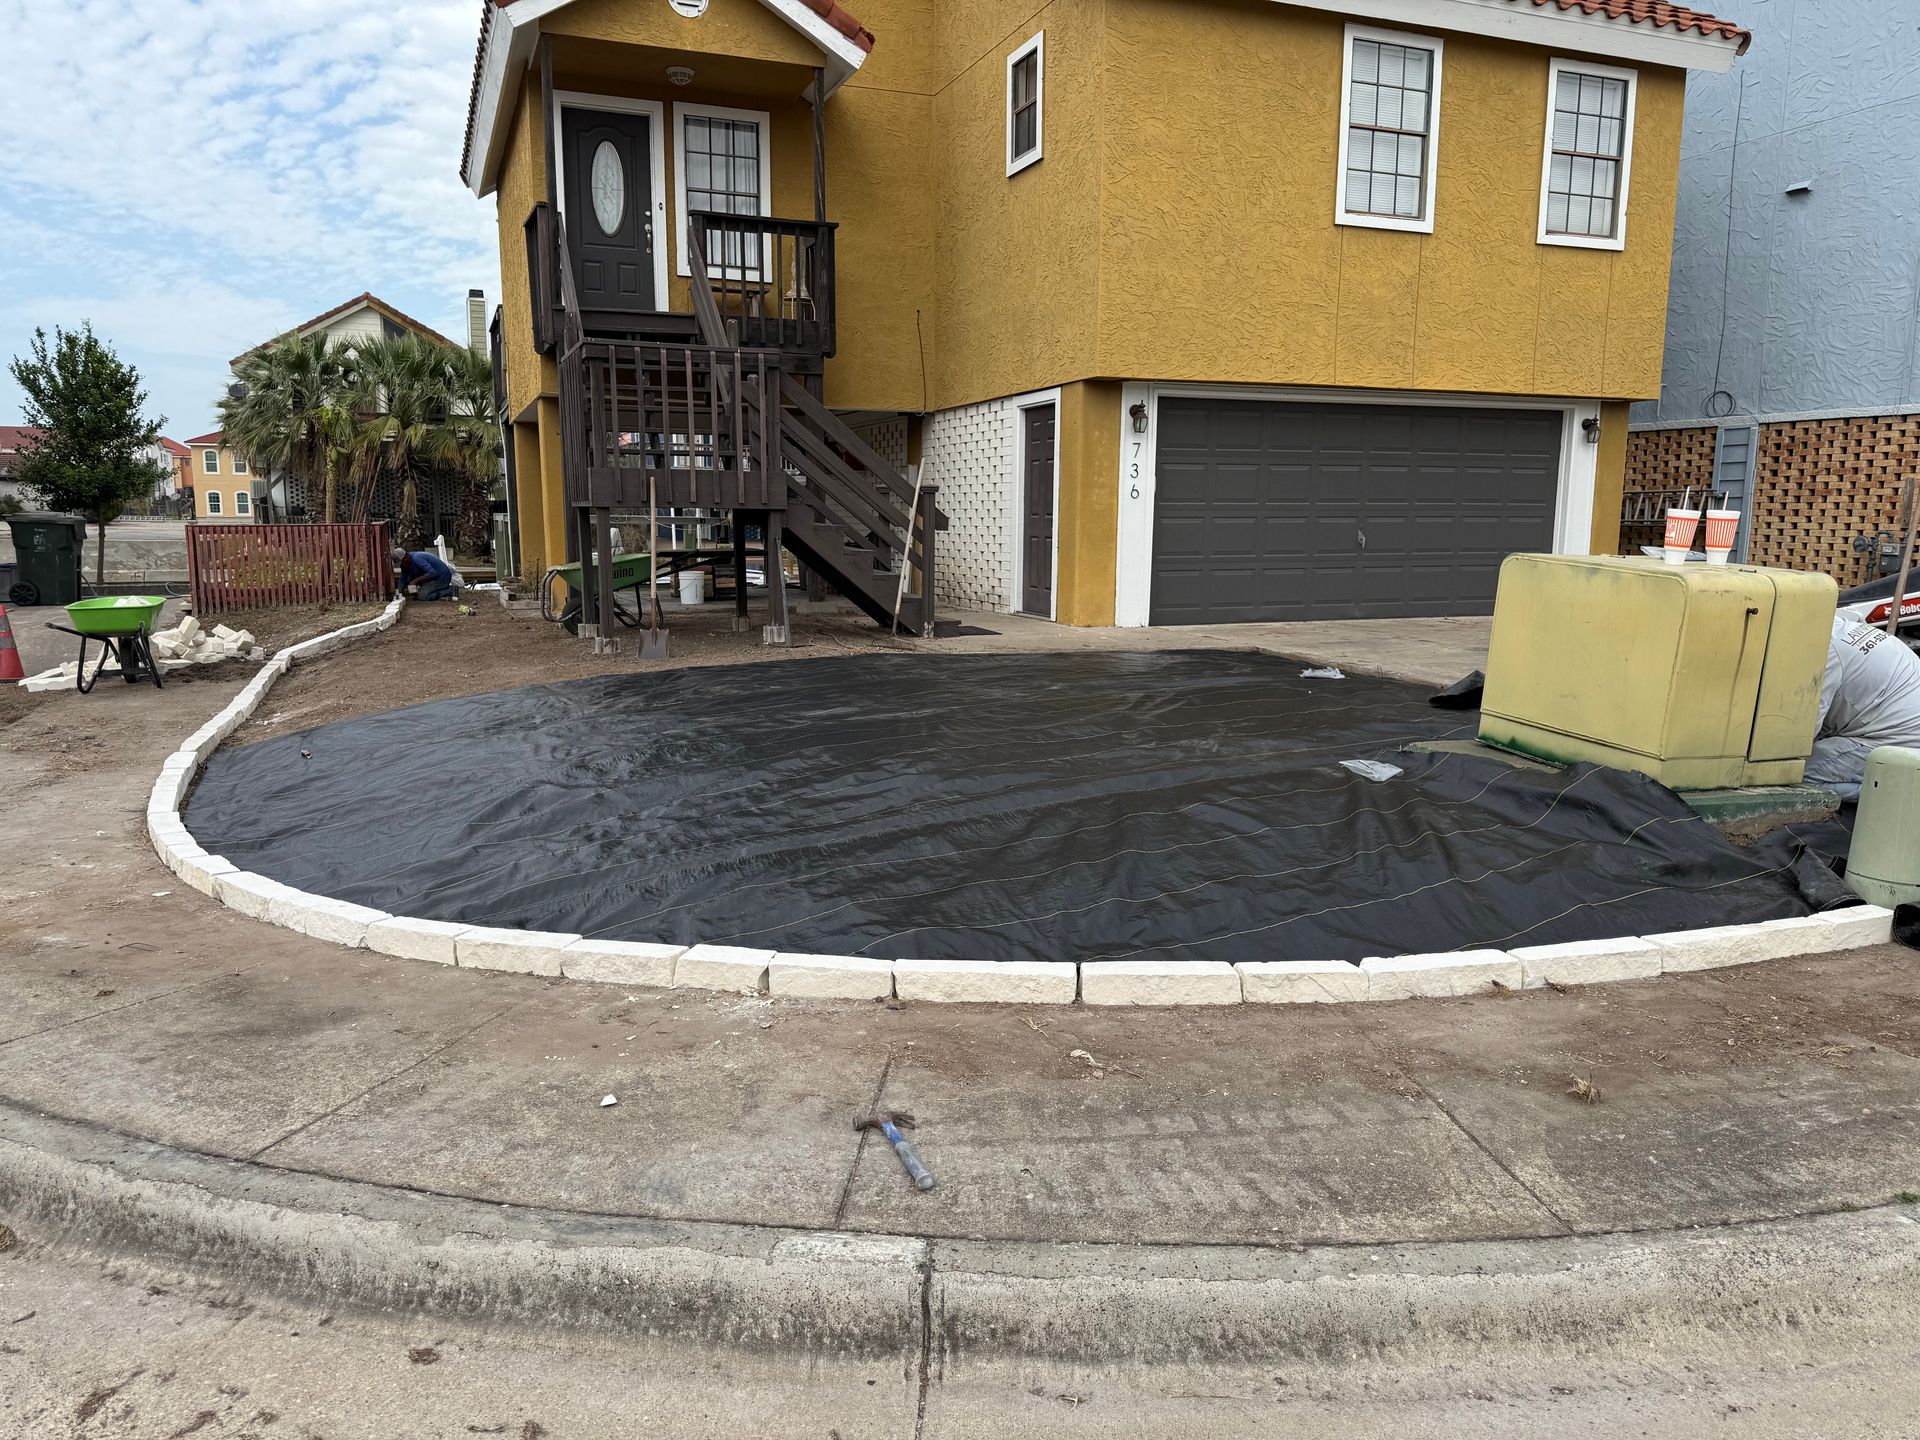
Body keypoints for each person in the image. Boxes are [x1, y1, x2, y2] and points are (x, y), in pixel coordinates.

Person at [1806, 614, 1920, 796]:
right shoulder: (1838, 624)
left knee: (1797, 775)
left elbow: (1801, 734)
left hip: (1897, 742)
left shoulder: (1821, 651)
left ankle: (1895, 793)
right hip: (1899, 723)